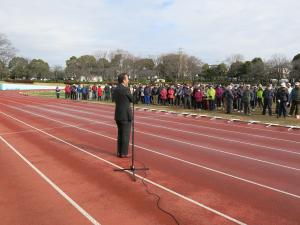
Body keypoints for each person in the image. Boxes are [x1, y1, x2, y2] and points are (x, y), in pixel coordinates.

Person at [114, 73, 133, 158]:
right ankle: (124, 153)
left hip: (118, 114)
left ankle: (119, 152)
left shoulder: (116, 89)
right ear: (124, 80)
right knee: (125, 135)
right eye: (127, 78)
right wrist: (132, 92)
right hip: (125, 115)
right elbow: (134, 100)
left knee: (120, 134)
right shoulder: (126, 89)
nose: (128, 80)